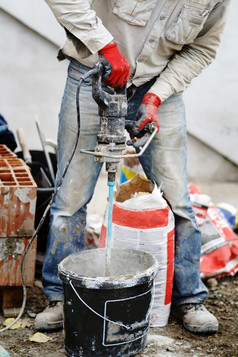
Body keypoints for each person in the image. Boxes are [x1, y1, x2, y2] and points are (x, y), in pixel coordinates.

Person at [35, 0, 231, 334]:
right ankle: (60, 296)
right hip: (93, 73)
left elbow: (201, 50)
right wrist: (105, 45)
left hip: (158, 87)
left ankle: (190, 298)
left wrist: (156, 97)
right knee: (71, 199)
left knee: (178, 202)